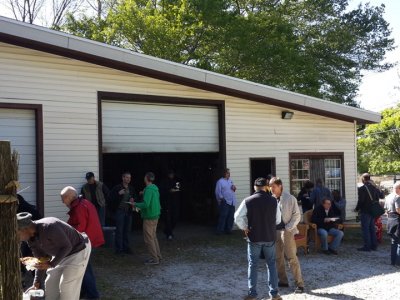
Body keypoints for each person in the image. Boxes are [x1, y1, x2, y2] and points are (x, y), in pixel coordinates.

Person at [17, 212, 91, 300]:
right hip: (60, 254)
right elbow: (41, 260)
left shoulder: (49, 227)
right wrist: (37, 283)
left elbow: (67, 246)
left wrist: (52, 264)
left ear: (24, 229)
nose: (17, 238)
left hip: (77, 250)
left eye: (17, 234)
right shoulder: (31, 239)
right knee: (50, 284)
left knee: (66, 287)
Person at [234, 177, 282, 300]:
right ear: (266, 187)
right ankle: (274, 294)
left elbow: (237, 217)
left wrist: (245, 227)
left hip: (254, 237)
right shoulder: (273, 201)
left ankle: (252, 294)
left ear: (254, 187)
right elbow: (278, 220)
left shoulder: (248, 200)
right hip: (269, 237)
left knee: (253, 265)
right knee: (271, 264)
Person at [61, 186, 105, 300]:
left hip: (85, 242)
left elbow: (79, 228)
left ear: (71, 197)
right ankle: (85, 293)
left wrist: (67, 237)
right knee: (84, 269)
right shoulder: (84, 202)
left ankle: (93, 295)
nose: (62, 201)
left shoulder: (79, 207)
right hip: (89, 239)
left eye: (64, 198)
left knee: (84, 269)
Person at [269, 177, 305, 294]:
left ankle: (299, 283)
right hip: (275, 232)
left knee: (291, 257)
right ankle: (283, 280)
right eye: (270, 186)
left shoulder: (290, 198)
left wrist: (288, 228)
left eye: (273, 186)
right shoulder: (271, 200)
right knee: (278, 258)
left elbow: (297, 216)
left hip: (287, 231)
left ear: (280, 186)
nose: (271, 189)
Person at [133, 172, 162, 265]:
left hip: (149, 216)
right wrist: (144, 192)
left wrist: (135, 204)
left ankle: (155, 259)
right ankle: (158, 256)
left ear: (147, 178)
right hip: (155, 215)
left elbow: (146, 204)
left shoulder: (149, 190)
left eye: (145, 177)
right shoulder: (154, 188)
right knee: (153, 237)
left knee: (149, 239)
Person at [109, 171, 137, 255]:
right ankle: (119, 250)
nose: (128, 179)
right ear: (123, 178)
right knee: (119, 231)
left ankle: (126, 248)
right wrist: (118, 194)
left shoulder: (131, 188)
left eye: (129, 178)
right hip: (120, 212)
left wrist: (133, 199)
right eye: (127, 177)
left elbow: (135, 197)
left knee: (127, 231)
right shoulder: (117, 188)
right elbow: (110, 199)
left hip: (128, 212)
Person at [355, 173, 382, 252]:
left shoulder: (362, 188)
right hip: (373, 211)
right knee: (372, 228)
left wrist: (357, 208)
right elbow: (382, 196)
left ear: (363, 179)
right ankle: (374, 245)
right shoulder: (375, 188)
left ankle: (367, 246)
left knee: (365, 229)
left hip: (365, 211)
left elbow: (361, 201)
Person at [215, 168, 237, 234]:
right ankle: (220, 231)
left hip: (232, 201)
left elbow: (233, 189)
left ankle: (228, 230)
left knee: (231, 217)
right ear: (224, 173)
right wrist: (222, 199)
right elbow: (217, 192)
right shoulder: (220, 181)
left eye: (229, 173)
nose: (229, 174)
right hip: (225, 201)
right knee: (223, 216)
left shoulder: (230, 181)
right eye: (227, 173)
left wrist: (234, 188)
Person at [160, 170, 181, 240]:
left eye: (172, 174)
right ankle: (169, 234)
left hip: (175, 203)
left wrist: (175, 190)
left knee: (175, 218)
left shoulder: (176, 181)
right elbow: (162, 191)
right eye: (170, 174)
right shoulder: (164, 181)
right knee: (168, 219)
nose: (171, 175)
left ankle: (168, 230)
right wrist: (169, 191)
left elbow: (178, 189)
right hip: (167, 203)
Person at [385, 182, 400, 266]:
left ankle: (393, 261)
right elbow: (398, 210)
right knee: (399, 243)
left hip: (390, 220)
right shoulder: (398, 197)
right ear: (399, 188)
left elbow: (386, 210)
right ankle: (398, 262)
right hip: (397, 219)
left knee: (393, 242)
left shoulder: (388, 197)